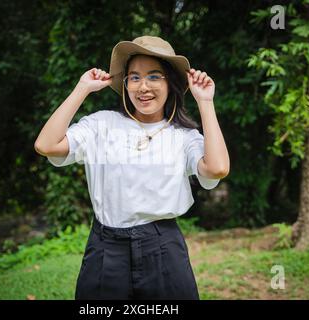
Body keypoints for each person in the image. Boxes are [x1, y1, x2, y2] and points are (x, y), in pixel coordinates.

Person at [34, 35, 230, 300]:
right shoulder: (101, 124)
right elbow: (46, 145)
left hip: (163, 247)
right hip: (106, 248)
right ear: (125, 85)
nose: (143, 86)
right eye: (134, 77)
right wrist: (82, 88)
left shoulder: (184, 137)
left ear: (170, 83)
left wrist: (205, 102)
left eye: (154, 76)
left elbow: (217, 168)